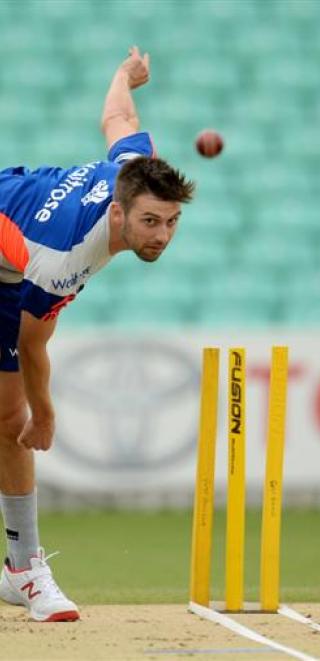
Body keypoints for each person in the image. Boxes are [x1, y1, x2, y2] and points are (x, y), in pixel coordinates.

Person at [0, 46, 195, 620]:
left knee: (6, 421)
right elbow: (32, 342)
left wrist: (122, 75)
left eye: (171, 223)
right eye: (149, 222)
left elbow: (119, 121)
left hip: (10, 250)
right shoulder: (66, 254)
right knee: (16, 416)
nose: (161, 236)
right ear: (117, 213)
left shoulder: (132, 171)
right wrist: (49, 414)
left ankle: (22, 569)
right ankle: (26, 569)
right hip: (17, 252)